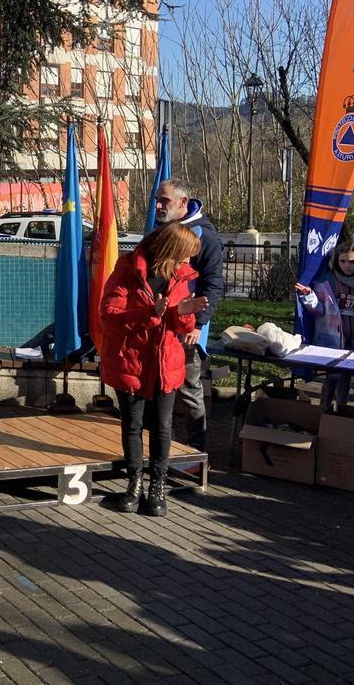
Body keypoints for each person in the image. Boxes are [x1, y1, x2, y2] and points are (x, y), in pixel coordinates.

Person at [100, 223, 207, 517]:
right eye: (185, 256)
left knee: (162, 426)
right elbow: (109, 316)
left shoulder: (180, 276)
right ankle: (134, 482)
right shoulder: (128, 269)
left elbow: (178, 325)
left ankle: (157, 485)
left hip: (165, 364)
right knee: (132, 424)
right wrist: (151, 313)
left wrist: (183, 315)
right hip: (131, 362)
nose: (188, 264)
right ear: (171, 252)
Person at [153, 177, 224, 451]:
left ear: (183, 202)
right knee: (159, 388)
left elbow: (214, 284)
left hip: (186, 329)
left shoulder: (204, 235)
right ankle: (161, 446)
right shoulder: (160, 229)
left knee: (188, 388)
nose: (158, 206)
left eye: (164, 201)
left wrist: (199, 324)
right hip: (157, 322)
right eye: (157, 200)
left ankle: (195, 451)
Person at [295, 243, 354, 410]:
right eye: (343, 261)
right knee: (332, 377)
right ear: (337, 261)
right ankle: (324, 410)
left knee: (345, 377)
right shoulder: (325, 281)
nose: (348, 266)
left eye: (352, 262)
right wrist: (309, 296)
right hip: (330, 339)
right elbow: (318, 310)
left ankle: (341, 411)